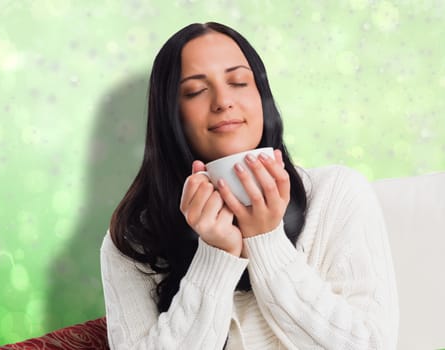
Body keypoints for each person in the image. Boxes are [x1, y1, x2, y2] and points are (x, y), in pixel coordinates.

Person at [100, 22, 399, 349]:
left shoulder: (338, 193)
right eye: (196, 91)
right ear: (171, 115)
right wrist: (216, 255)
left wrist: (266, 240)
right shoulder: (132, 238)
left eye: (239, 81)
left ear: (262, 96)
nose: (223, 101)